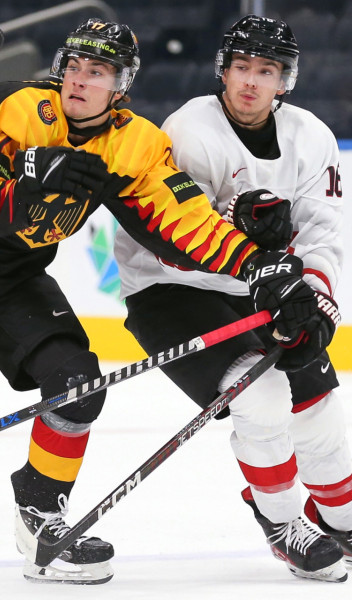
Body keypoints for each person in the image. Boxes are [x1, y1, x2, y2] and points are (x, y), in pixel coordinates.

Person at [0, 17, 322, 584]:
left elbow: (184, 221)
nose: (78, 80)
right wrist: (25, 184)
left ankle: (40, 520)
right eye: (72, 67)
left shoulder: (136, 144)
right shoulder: (15, 107)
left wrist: (258, 266)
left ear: (120, 85)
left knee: (77, 384)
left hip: (11, 278)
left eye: (96, 71)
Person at [114, 14, 352, 583]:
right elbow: (173, 238)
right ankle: (283, 523)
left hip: (264, 288)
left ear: (284, 81)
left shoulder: (311, 136)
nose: (250, 81)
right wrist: (246, 240)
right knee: (261, 395)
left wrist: (313, 296)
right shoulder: (189, 131)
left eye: (265, 70)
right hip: (170, 289)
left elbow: (324, 230)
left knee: (320, 406)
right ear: (224, 70)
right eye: (241, 67)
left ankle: (339, 519)